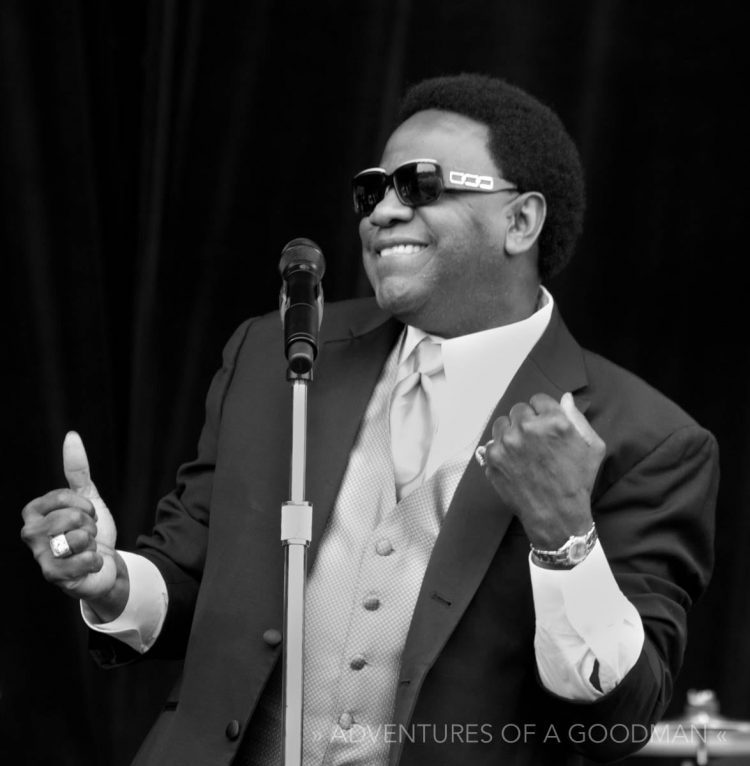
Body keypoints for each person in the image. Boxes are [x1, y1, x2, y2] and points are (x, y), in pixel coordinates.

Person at [20, 73, 719, 766]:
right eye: (372, 191)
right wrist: (109, 577)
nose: (381, 212)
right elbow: (195, 576)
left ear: (521, 221)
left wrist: (565, 537)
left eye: (417, 185)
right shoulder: (278, 354)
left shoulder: (647, 441)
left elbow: (620, 717)